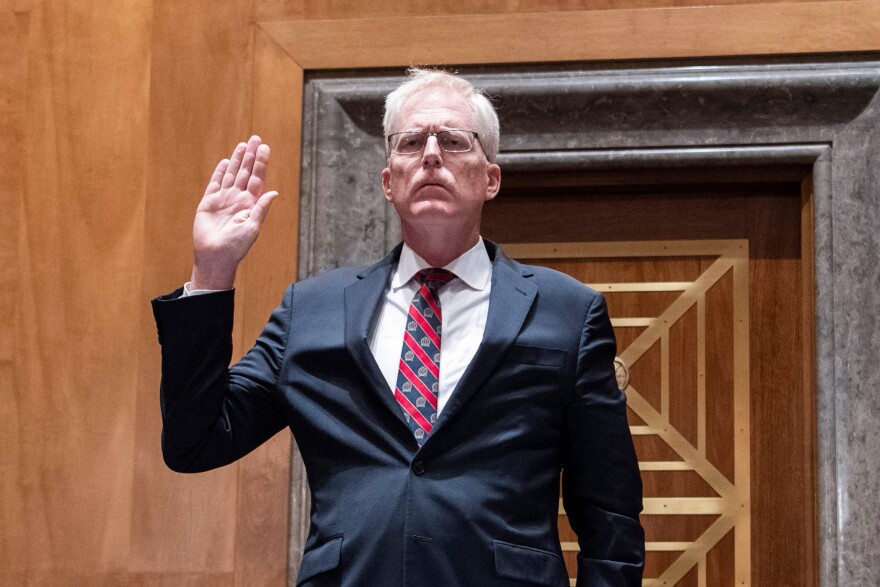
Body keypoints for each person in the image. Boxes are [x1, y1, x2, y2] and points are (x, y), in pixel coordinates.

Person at [152, 68, 644, 586]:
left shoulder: (566, 310)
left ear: (490, 179)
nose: (431, 154)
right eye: (411, 142)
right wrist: (212, 271)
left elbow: (608, 516)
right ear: (389, 181)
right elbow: (195, 441)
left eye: (454, 141)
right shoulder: (312, 310)